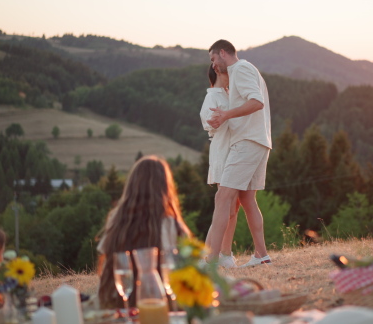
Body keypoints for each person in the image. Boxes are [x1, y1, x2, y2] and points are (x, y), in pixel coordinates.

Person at [206, 39, 273, 267]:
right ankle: (261, 255)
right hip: (259, 140)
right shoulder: (243, 70)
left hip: (247, 141)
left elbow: (257, 102)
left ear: (223, 53)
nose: (213, 65)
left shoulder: (240, 68)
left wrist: (226, 115)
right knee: (247, 199)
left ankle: (213, 260)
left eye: (213, 59)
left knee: (223, 196)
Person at [97, 155, 191, 309]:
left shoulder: (117, 221)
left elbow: (105, 274)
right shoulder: (171, 225)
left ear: (131, 186)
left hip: (118, 308)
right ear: (165, 187)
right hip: (164, 309)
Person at [199, 64, 241, 268]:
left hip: (234, 152)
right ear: (218, 72)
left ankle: (225, 253)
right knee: (224, 206)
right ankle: (209, 255)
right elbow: (208, 122)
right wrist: (217, 118)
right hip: (223, 153)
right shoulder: (212, 97)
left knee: (233, 208)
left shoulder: (228, 94)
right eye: (227, 72)